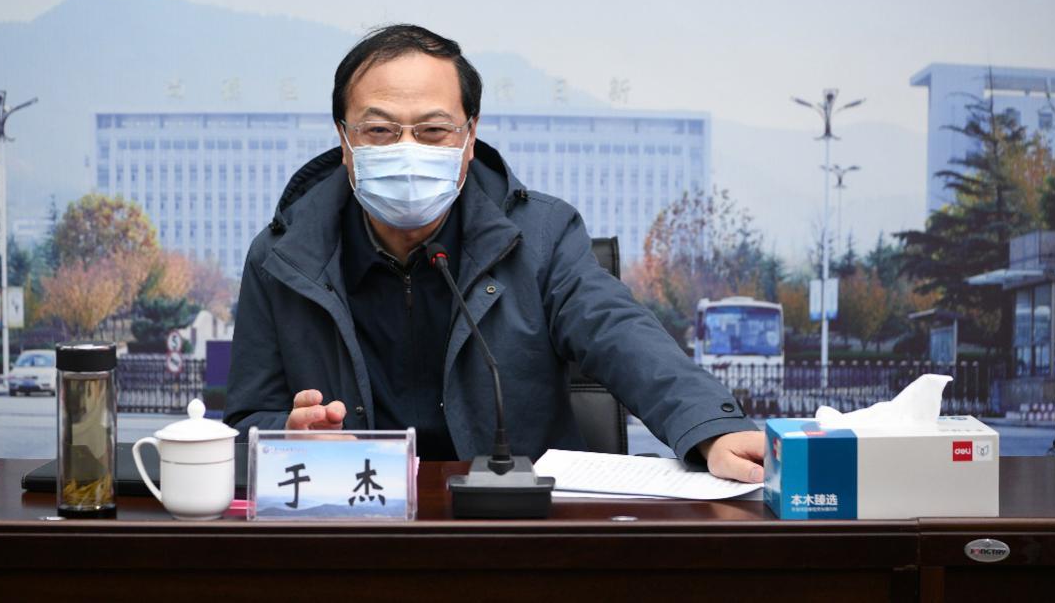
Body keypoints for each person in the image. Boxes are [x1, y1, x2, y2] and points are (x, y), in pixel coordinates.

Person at [224, 25, 765, 483]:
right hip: (357, 530)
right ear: (345, 140)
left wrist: (711, 427)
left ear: (469, 136)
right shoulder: (282, 258)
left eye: (433, 130)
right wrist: (286, 437)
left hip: (510, 530)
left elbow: (620, 333)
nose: (408, 150)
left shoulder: (542, 235)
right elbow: (245, 424)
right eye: (381, 131)